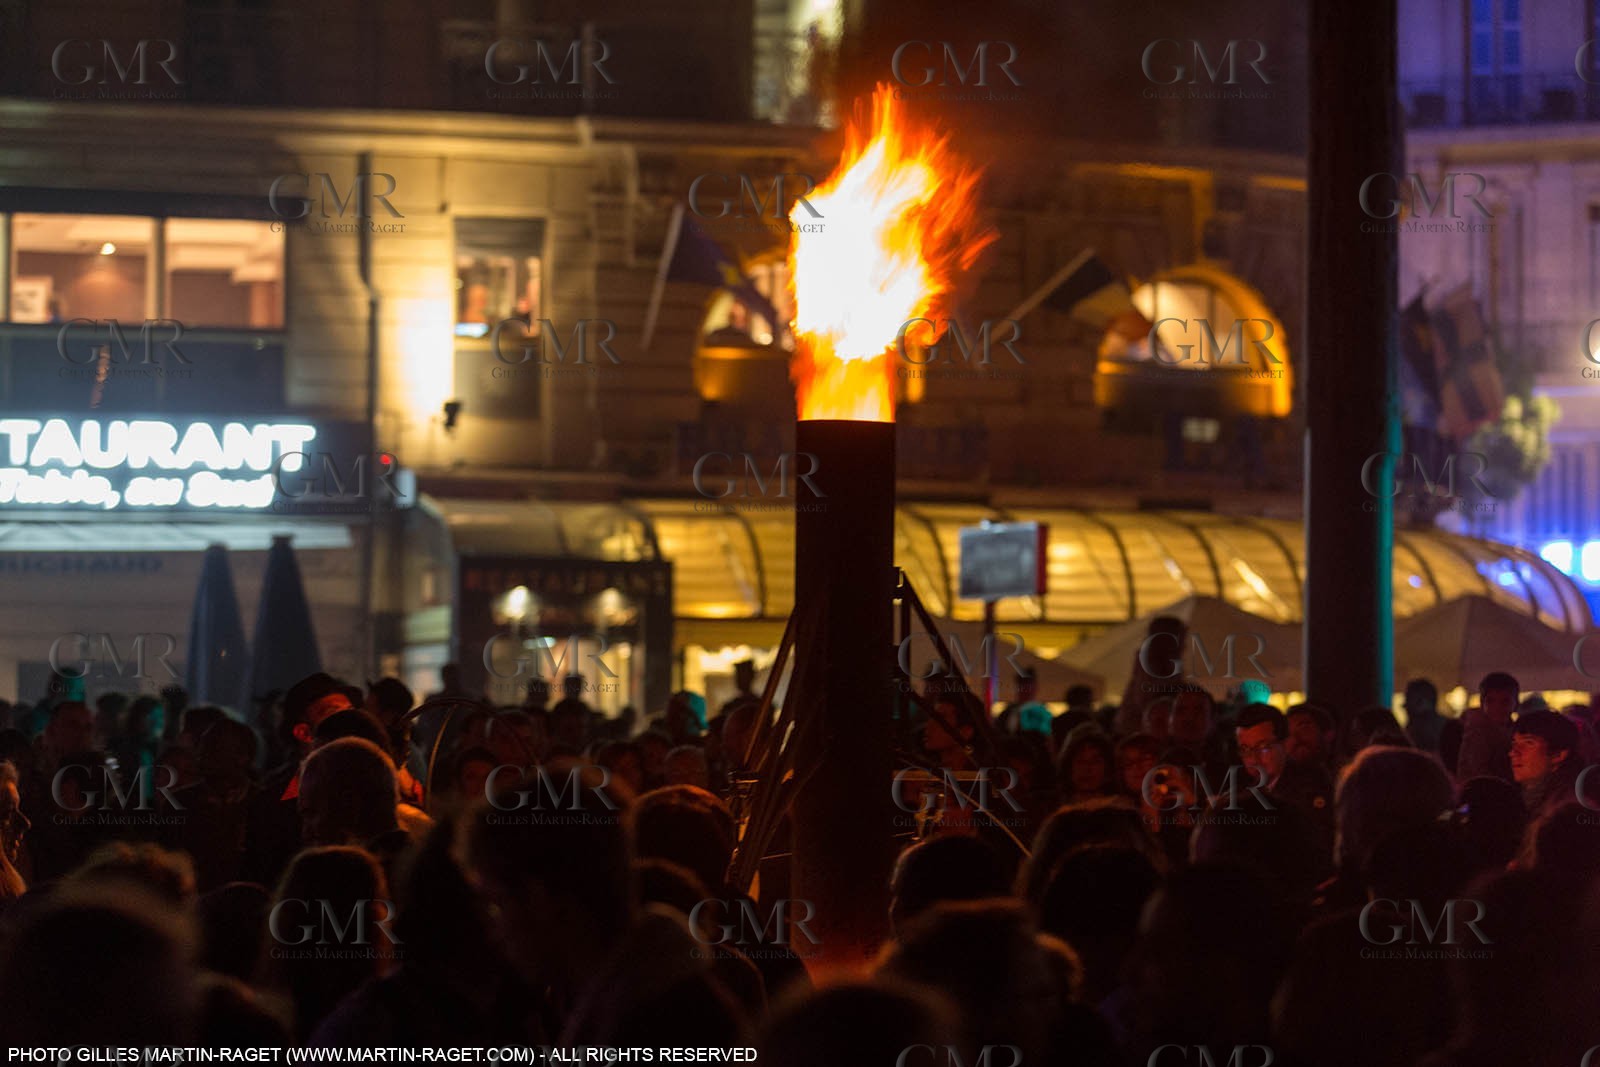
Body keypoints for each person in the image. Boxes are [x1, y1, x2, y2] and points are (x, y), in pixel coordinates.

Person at [459, 767, 747, 1044]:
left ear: (540, 898)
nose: (493, 930)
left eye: (497, 903)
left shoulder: (656, 1028)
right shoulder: (626, 1001)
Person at [299, 737, 427, 888]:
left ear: (348, 803)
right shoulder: (429, 867)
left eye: (312, 813)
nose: (305, 832)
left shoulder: (358, 886)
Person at [1508, 709, 1582, 820]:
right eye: (1514, 743)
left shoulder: (1568, 811)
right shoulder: (1523, 801)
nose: (1513, 753)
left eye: (1529, 743)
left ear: (1558, 755)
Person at [1456, 671, 1518, 784]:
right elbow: (1479, 773)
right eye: (1490, 701)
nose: (1497, 707)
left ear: (1516, 703)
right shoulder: (1476, 731)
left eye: (1505, 701)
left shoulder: (1516, 732)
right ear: (1481, 703)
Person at [1057, 724, 1117, 803]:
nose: (1087, 768)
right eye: (1080, 761)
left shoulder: (1124, 811)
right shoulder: (1054, 812)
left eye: (1095, 761)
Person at [1403, 678, 1445, 754]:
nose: (1406, 709)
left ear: (1422, 702)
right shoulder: (1445, 726)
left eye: (1408, 703)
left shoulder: (1416, 729)